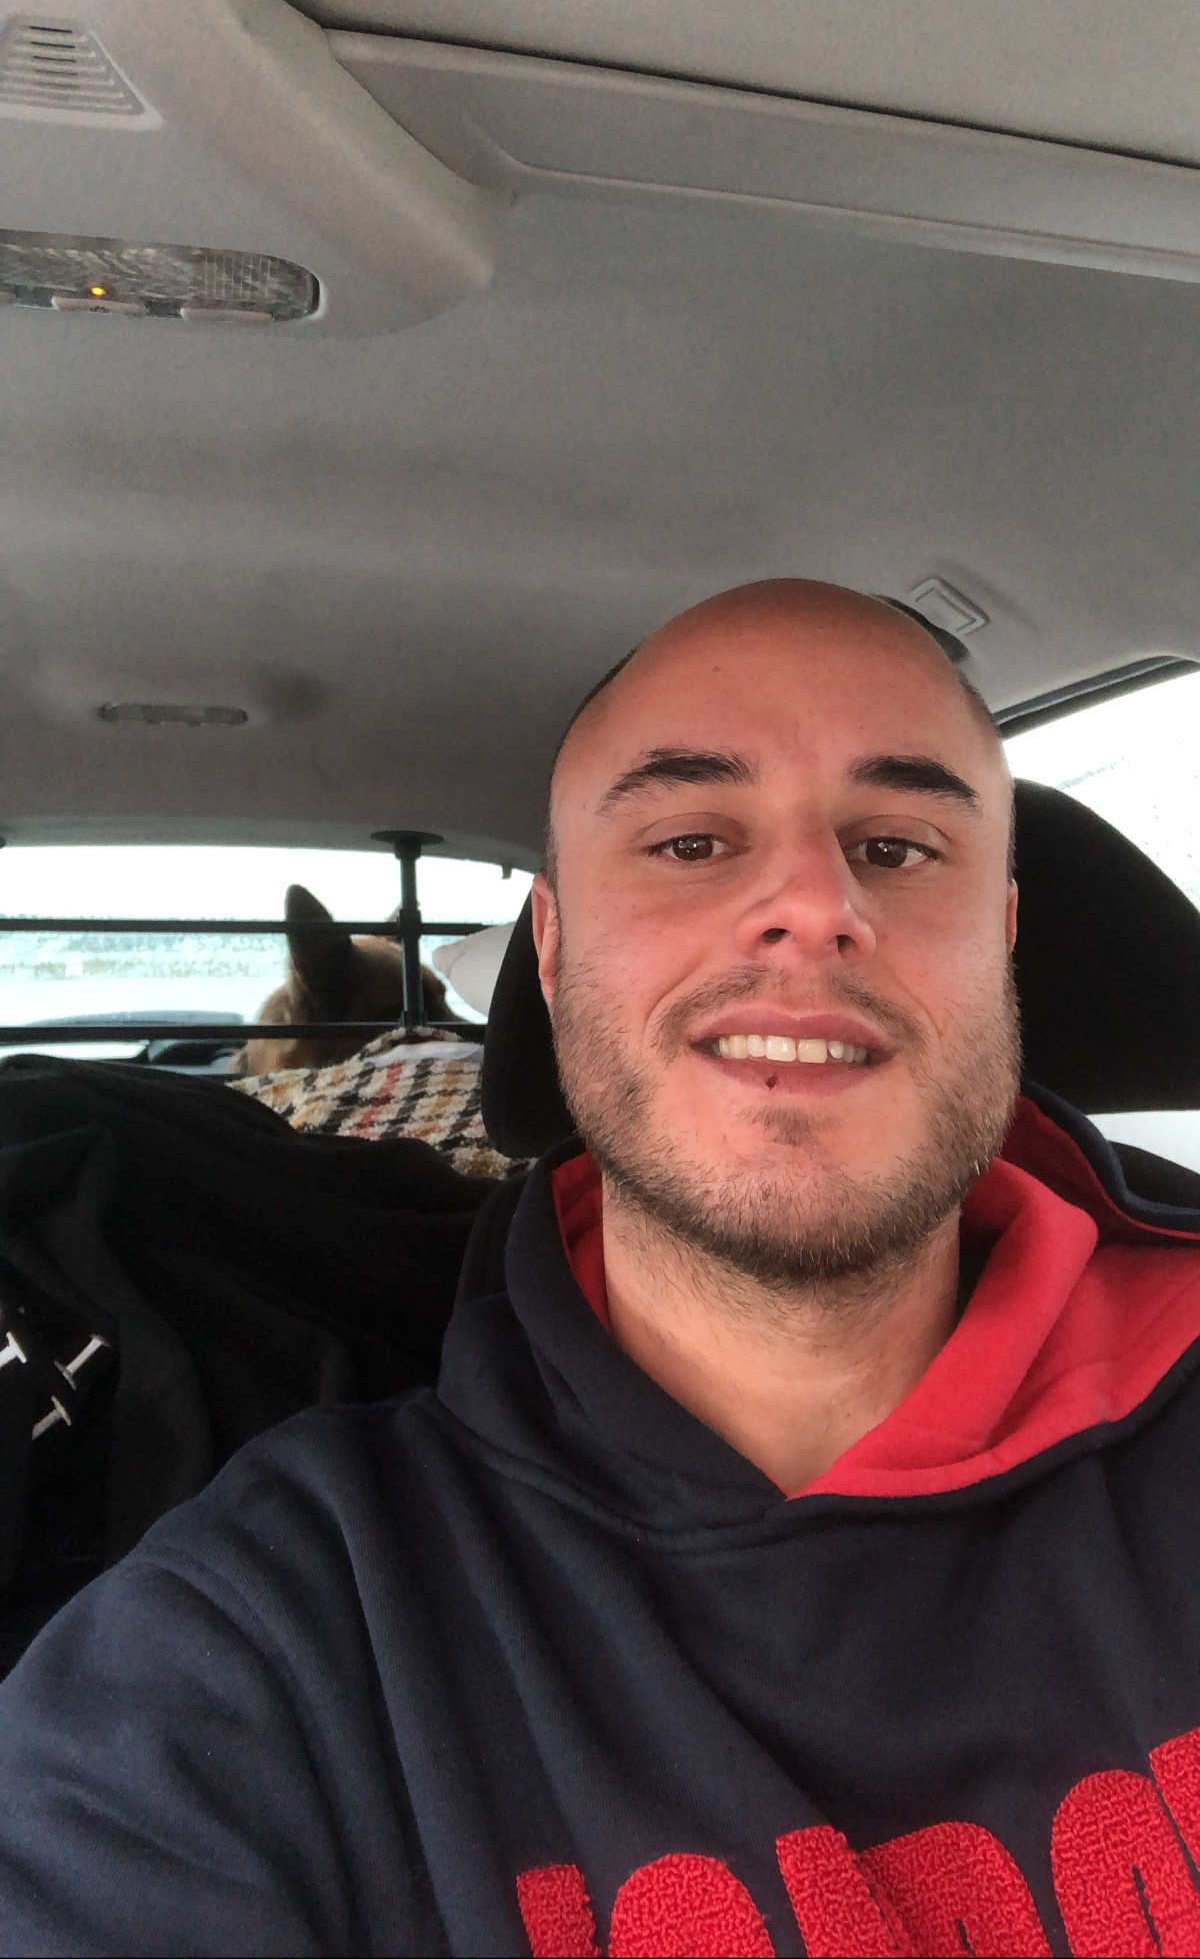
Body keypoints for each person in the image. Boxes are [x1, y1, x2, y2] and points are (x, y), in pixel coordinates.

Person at [2, 579, 1200, 1958]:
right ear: (554, 953)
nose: (815, 904)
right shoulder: (272, 1644)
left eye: (898, 845)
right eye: (691, 840)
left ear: (1002, 941)